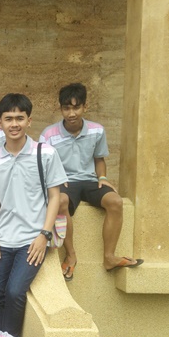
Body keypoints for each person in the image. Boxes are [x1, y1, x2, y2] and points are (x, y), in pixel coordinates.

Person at [0, 93, 67, 337]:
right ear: (0, 123)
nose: (14, 124)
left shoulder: (46, 153)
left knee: (15, 292)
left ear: (29, 121)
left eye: (20, 118)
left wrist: (44, 235)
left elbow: (55, 197)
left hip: (32, 240)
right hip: (2, 239)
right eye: (8, 119)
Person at [39, 83, 143, 280]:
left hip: (90, 180)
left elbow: (99, 159)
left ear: (85, 107)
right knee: (60, 202)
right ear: (60, 109)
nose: (71, 113)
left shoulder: (97, 131)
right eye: (66, 108)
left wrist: (102, 178)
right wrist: (56, 180)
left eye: (76, 107)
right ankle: (71, 256)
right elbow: (44, 165)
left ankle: (109, 257)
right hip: (64, 182)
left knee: (116, 201)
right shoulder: (48, 134)